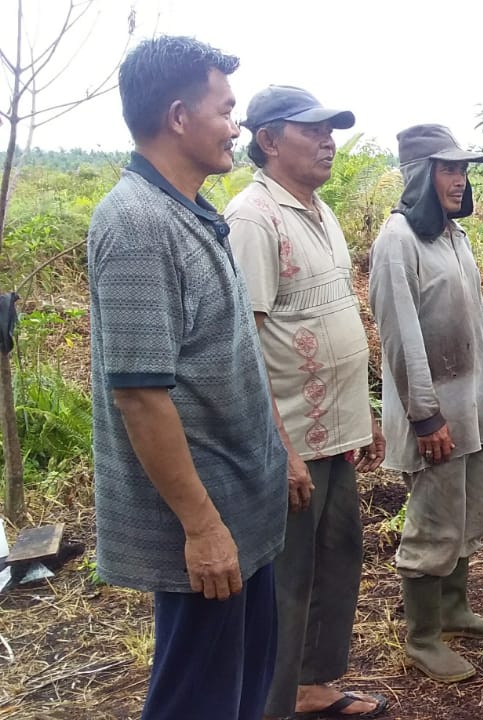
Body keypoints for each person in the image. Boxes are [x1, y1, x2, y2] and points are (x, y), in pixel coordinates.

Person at [88, 36, 286, 720]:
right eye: (226, 108)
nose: (237, 125)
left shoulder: (191, 213)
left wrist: (277, 453)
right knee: (198, 700)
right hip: (205, 524)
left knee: (240, 687)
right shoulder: (139, 224)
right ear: (178, 117)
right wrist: (202, 527)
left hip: (241, 507)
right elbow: (141, 397)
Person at [225, 85, 388, 720]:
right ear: (268, 140)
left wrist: (363, 416)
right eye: (311, 130)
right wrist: (282, 449)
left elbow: (334, 320)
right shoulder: (253, 219)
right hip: (289, 440)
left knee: (337, 558)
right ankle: (272, 700)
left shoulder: (319, 211)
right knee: (287, 581)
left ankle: (313, 685)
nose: (328, 142)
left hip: (335, 431)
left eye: (331, 130)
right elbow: (248, 345)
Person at [368, 124, 483, 684]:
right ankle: (423, 637)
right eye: (448, 169)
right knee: (432, 522)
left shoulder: (454, 236)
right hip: (432, 413)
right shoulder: (398, 239)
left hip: (469, 402)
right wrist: (425, 415)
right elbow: (400, 338)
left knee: (470, 510)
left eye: (463, 169)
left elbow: (477, 322)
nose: (460, 179)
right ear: (420, 176)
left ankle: (455, 610)